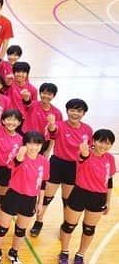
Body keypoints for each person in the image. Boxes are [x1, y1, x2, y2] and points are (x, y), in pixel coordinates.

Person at [33, 98, 92, 236]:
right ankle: (38, 222)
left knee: (67, 201)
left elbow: (89, 150)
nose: (75, 113)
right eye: (72, 110)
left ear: (83, 113)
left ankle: (65, 226)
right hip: (57, 163)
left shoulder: (88, 130)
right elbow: (52, 131)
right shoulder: (60, 125)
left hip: (74, 167)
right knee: (46, 197)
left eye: (79, 111)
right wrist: (52, 124)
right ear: (67, 111)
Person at [59, 129, 115, 264]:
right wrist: (84, 152)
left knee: (89, 229)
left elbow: (109, 181)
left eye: (108, 143)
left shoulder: (110, 159)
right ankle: (64, 252)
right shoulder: (85, 153)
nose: (104, 146)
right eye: (101, 141)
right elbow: (83, 157)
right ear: (94, 141)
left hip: (98, 198)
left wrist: (108, 201)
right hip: (80, 194)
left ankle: (80, 255)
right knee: (69, 226)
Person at [0, 131, 49, 264]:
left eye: (37, 144)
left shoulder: (44, 162)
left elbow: (43, 183)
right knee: (2, 228)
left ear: (41, 145)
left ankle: (14, 253)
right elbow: (17, 162)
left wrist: (40, 203)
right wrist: (21, 154)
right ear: (25, 144)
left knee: (20, 230)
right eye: (30, 143)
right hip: (13, 196)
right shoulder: (19, 157)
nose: (33, 147)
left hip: (30, 200)